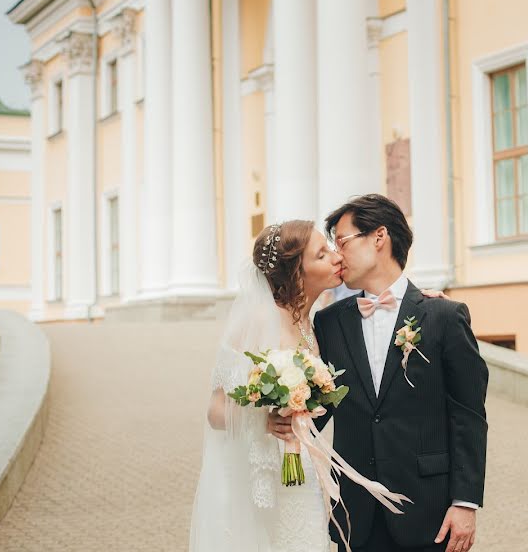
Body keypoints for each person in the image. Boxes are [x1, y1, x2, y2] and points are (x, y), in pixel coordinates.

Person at [189, 217, 455, 552]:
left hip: (303, 476)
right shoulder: (258, 320)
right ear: (295, 272)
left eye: (331, 248)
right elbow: (215, 411)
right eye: (321, 255)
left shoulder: (316, 325)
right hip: (262, 478)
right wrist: (265, 419)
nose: (336, 257)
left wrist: (421, 303)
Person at [269, 194, 488, 552]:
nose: (337, 255)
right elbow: (322, 406)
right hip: (355, 513)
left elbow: (468, 416)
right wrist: (285, 419)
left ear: (379, 237)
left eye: (342, 241)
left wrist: (465, 503)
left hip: (429, 510)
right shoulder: (329, 322)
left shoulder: (444, 317)